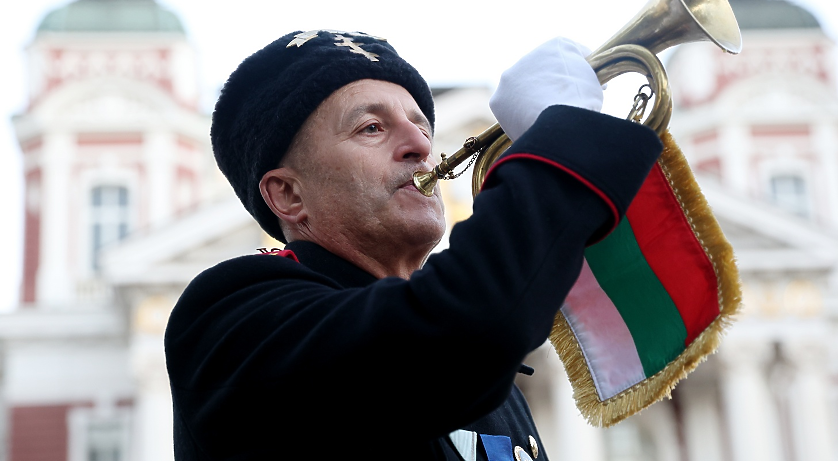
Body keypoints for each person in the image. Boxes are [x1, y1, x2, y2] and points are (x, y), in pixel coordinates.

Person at [165, 30, 662, 460]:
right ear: (289, 194)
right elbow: (465, 326)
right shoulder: (232, 316)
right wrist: (562, 146)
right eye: (372, 128)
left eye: (421, 124)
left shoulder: (493, 381)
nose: (422, 146)